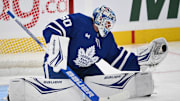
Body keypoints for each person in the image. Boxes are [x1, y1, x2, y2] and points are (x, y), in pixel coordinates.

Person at [42, 5, 168, 80]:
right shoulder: (78, 21)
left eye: (110, 25)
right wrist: (56, 51)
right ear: (99, 19)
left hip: (85, 70)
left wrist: (139, 61)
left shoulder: (107, 39)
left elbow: (117, 58)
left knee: (103, 83)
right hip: (61, 66)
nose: (108, 27)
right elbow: (51, 29)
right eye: (107, 23)